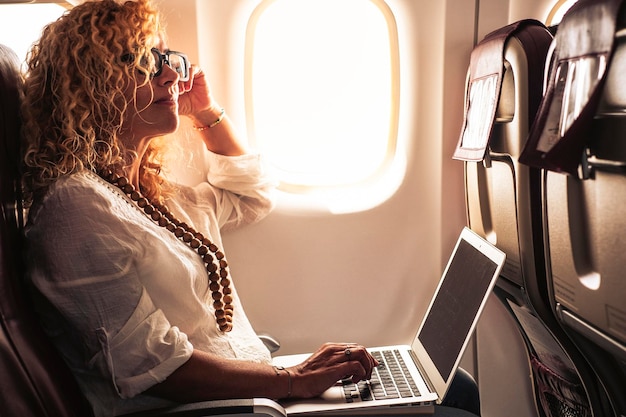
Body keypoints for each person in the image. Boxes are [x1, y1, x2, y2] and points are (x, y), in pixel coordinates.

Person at [19, 1, 479, 416]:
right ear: (87, 83)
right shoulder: (76, 208)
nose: (170, 75)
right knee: (452, 405)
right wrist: (294, 382)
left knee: (453, 385)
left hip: (249, 392)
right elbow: (157, 368)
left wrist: (205, 109)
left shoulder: (144, 193)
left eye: (167, 59)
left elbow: (251, 197)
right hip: (215, 411)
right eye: (141, 61)